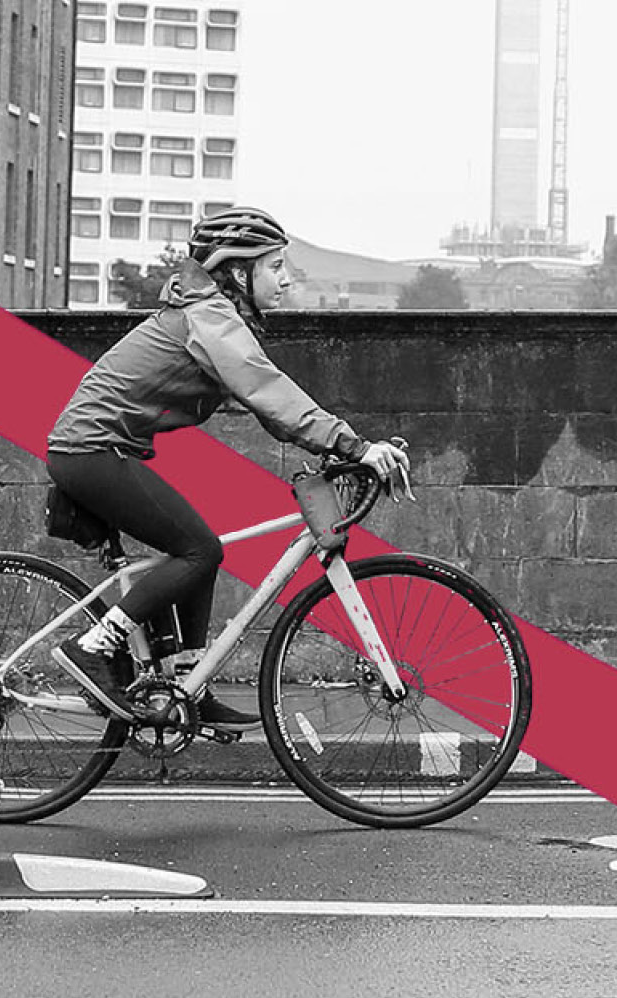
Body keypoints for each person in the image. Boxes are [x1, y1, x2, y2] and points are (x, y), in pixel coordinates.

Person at [41, 207, 410, 725]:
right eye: (275, 266)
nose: (285, 279)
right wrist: (352, 445)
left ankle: (186, 684)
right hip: (90, 450)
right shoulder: (208, 318)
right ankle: (92, 647)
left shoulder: (214, 316)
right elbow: (265, 386)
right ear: (239, 272)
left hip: (100, 448)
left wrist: (331, 447)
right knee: (198, 549)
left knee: (199, 551)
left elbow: (269, 408)